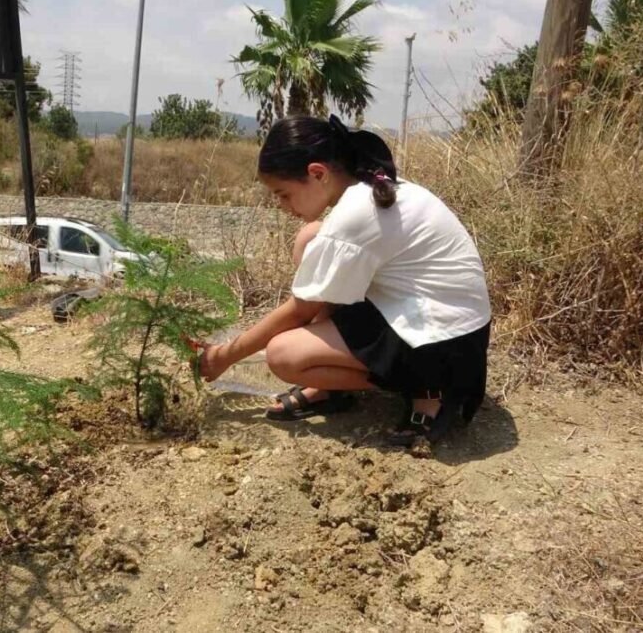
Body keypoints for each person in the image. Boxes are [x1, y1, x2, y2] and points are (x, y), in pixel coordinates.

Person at [198, 115, 492, 446]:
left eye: (283, 194)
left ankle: (428, 389)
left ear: (317, 173)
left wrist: (225, 356)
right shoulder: (367, 186)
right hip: (429, 312)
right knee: (311, 238)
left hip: (444, 345)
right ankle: (332, 388)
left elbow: (301, 310)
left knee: (283, 354)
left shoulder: (356, 213)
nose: (282, 206)